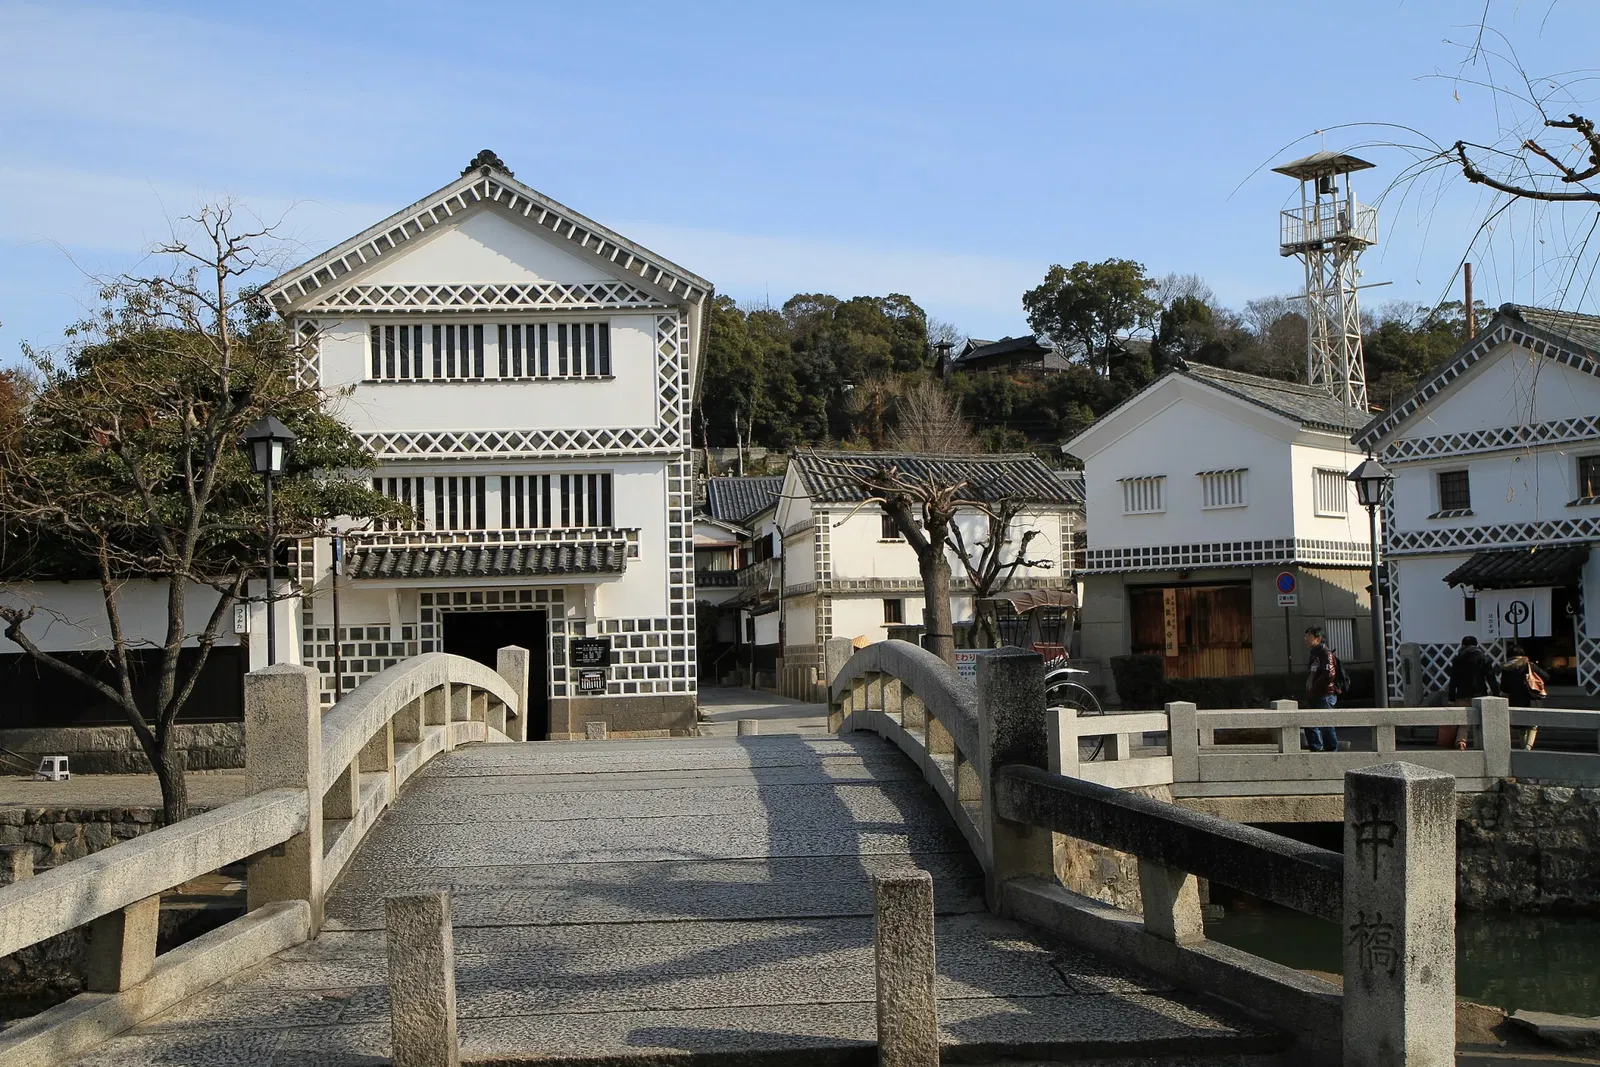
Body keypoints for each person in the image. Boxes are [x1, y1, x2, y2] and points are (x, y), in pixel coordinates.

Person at [1444, 635, 1499, 749]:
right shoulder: (1483, 657)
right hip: (1480, 694)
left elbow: (1453, 679)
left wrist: (1451, 697)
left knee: (1464, 721)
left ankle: (1461, 742)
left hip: (1462, 694)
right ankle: (1485, 743)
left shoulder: (1458, 659)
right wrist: (1496, 693)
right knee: (1482, 719)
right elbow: (1490, 677)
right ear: (1476, 644)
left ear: (1463, 645)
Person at [1500, 644, 1550, 750]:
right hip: (1531, 698)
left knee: (1521, 726)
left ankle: (1524, 746)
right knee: (1532, 725)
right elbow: (1545, 676)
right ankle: (1528, 746)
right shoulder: (1529, 665)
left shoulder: (1506, 668)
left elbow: (1504, 687)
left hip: (1515, 700)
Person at [1302, 626, 1340, 753]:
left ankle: (1331, 750)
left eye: (1309, 637)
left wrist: (1316, 685)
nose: (1306, 639)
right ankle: (1316, 747)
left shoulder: (1325, 653)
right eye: (1306, 636)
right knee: (1310, 721)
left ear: (1318, 639)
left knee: (1326, 724)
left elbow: (1329, 675)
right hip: (1315, 693)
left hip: (1325, 694)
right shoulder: (1315, 653)